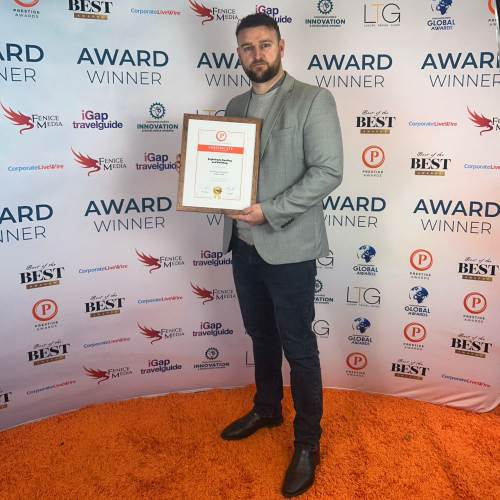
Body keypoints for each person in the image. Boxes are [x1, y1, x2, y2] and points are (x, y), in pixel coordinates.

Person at [220, 13, 343, 498]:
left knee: (299, 346)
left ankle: (308, 441)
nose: (257, 55)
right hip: (242, 245)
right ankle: (267, 408)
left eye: (265, 45)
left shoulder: (313, 99)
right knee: (260, 333)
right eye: (247, 47)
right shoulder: (233, 106)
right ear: (239, 53)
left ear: (281, 47)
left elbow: (328, 171)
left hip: (289, 246)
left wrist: (268, 211)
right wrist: (203, 179)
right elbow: (226, 170)